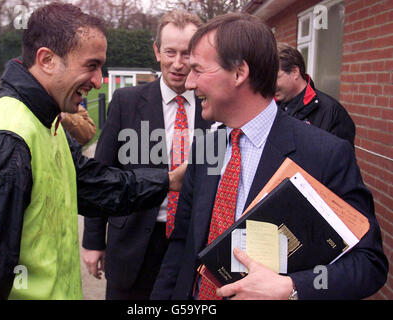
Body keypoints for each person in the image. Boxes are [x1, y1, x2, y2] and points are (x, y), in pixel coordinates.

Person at [0, 3, 186, 300]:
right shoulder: (5, 142)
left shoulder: (43, 119)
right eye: (91, 65)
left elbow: (93, 185)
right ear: (47, 60)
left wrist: (169, 181)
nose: (99, 81)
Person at [151, 13, 388, 300]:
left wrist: (293, 288)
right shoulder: (206, 148)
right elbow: (182, 246)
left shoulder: (324, 155)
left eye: (198, 70)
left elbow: (368, 264)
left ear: (239, 73)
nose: (189, 83)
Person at [82, 10, 212, 300]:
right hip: (132, 242)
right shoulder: (126, 103)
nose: (178, 64)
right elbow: (101, 173)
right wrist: (93, 241)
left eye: (187, 53)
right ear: (157, 51)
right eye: (170, 52)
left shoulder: (215, 108)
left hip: (192, 242)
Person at [276, 43, 355, 146]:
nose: (269, 85)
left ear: (295, 72)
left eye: (275, 78)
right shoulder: (273, 106)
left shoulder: (333, 113)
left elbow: (340, 160)